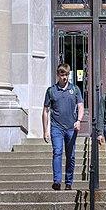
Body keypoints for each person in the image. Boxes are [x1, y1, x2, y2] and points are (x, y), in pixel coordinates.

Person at [42, 63, 84, 191]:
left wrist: (79, 120)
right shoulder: (51, 90)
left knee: (70, 155)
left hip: (71, 127)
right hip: (56, 127)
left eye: (66, 74)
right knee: (58, 152)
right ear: (58, 75)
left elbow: (81, 106)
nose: (64, 77)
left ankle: (69, 181)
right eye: (62, 75)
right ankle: (57, 181)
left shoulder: (75, 89)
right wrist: (45, 131)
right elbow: (45, 111)